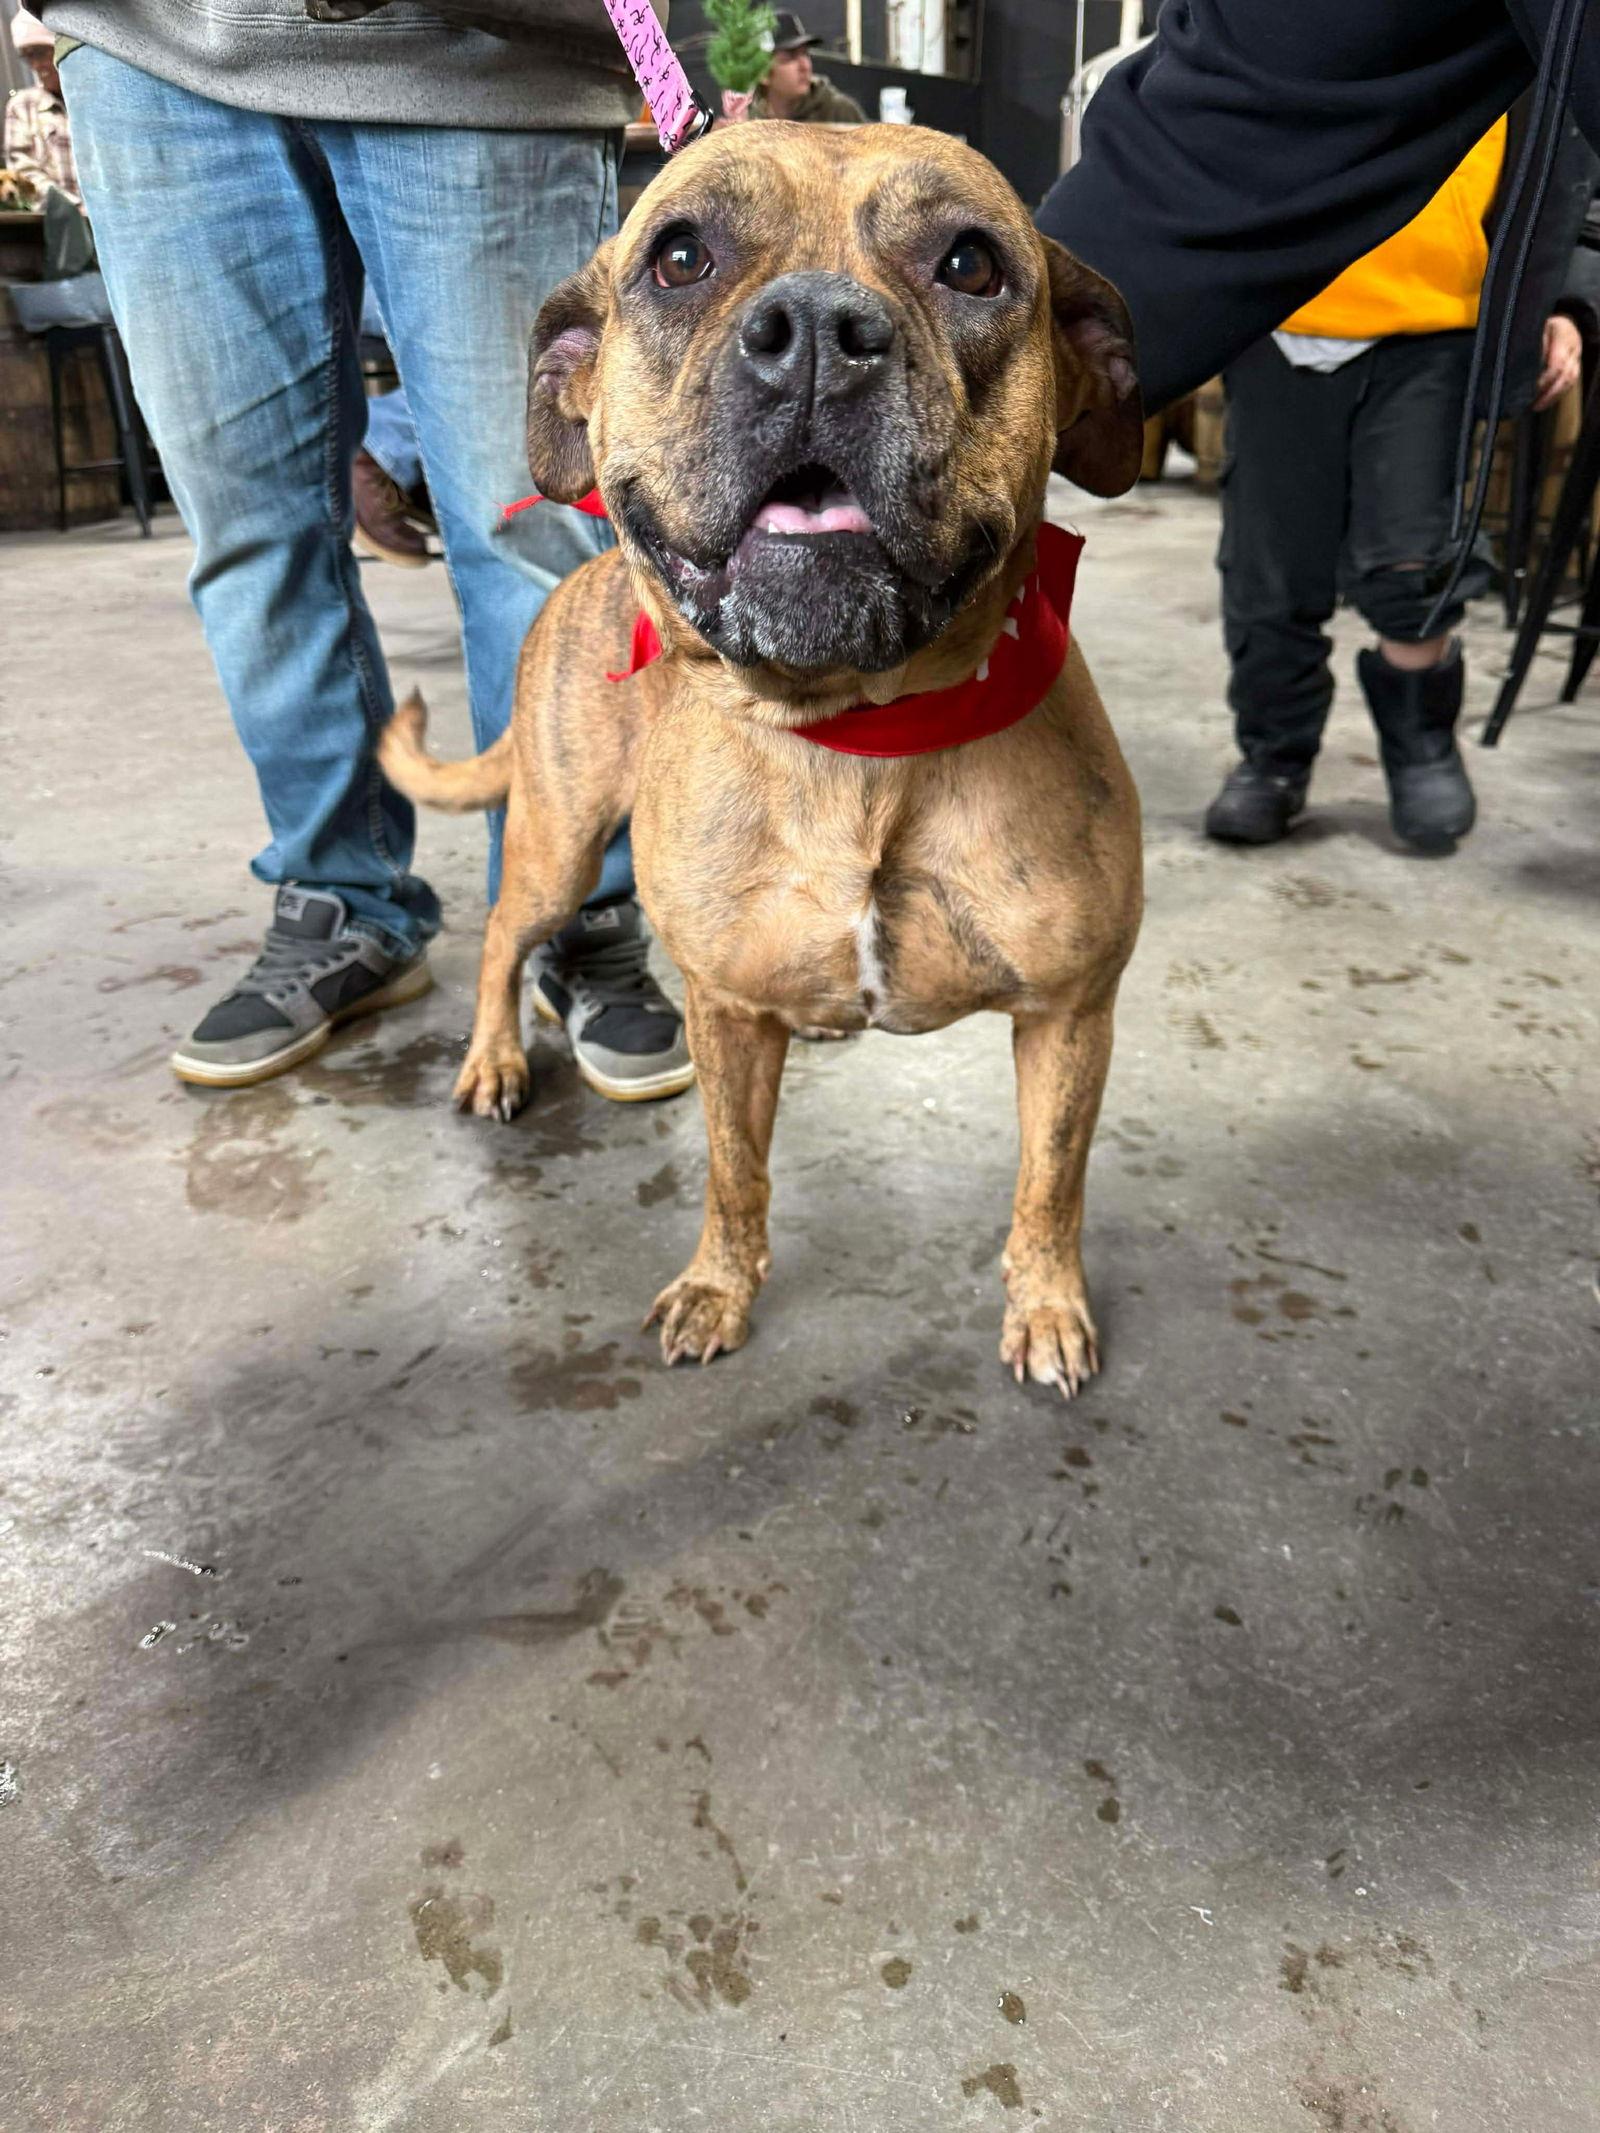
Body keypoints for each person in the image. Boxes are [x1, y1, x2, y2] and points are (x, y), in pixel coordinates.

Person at [44, 0, 693, 1104]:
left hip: (480, 53)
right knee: (252, 537)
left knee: (535, 529)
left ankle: (579, 906)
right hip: (149, 47)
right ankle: (341, 900)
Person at [1205, 109, 1592, 853]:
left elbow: (1572, 150)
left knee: (1415, 556)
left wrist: (1566, 296)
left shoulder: (1525, 22)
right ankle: (1274, 758)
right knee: (1270, 570)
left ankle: (1420, 743)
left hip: (1441, 322)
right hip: (1276, 313)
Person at [1038, 0, 1600, 418]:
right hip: (1288, 323)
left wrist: (1569, 299)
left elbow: (1563, 180)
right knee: (1279, 563)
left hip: (1435, 319)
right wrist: (1009, 345)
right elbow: (1242, 107)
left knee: (1403, 563)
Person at [5, 8, 79, 206]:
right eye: (28, 56)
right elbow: (23, 169)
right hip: (59, 226)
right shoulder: (23, 106)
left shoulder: (89, 99)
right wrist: (72, 207)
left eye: (41, 52)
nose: (36, 65)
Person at [749, 13, 866, 126]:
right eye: (791, 57)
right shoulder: (748, 120)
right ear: (763, 73)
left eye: (805, 54)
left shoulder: (839, 112)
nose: (805, 66)